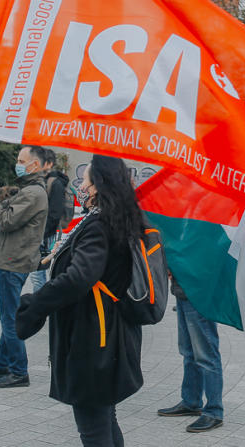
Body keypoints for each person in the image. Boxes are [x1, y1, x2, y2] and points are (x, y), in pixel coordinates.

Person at [16, 155, 143, 447]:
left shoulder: (100, 224)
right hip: (108, 332)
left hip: (94, 338)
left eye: (85, 179)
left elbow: (79, 277)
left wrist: (36, 305)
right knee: (104, 419)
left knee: (94, 428)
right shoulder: (119, 217)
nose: (82, 185)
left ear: (98, 185)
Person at [0, 145, 48, 388]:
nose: (17, 163)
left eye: (21, 160)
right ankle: (2, 361)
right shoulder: (30, 190)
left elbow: (5, 220)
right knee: (8, 312)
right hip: (13, 259)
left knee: (9, 316)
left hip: (13, 261)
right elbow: (8, 212)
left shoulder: (33, 193)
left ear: (34, 165)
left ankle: (19, 371)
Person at [157, 273, 224, 432]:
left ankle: (214, 412)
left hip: (199, 292)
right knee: (189, 352)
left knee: (206, 356)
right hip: (184, 291)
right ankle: (191, 402)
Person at [31, 148, 69, 292]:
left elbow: (55, 213)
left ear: (48, 164)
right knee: (37, 273)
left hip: (44, 235)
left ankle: (39, 306)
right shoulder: (41, 181)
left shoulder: (55, 183)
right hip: (39, 233)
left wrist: (41, 234)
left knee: (37, 274)